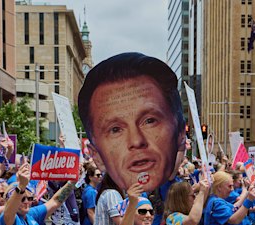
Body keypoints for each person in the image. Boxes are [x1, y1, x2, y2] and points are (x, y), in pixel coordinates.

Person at [78, 52, 185, 193]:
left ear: (180, 133)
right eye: (115, 129)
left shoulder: (177, 190)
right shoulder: (108, 197)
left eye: (149, 121)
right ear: (96, 156)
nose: (136, 141)